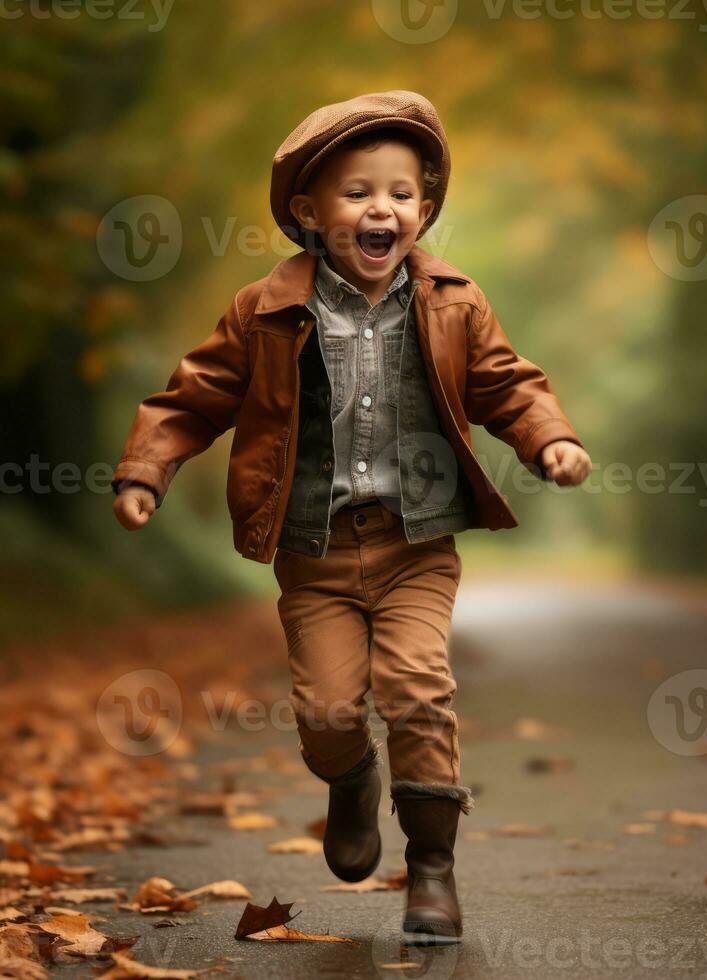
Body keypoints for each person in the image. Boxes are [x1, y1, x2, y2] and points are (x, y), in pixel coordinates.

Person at [111, 90, 592, 944]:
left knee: (418, 692)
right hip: (314, 549)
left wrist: (546, 438)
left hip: (417, 545)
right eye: (358, 192)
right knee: (329, 714)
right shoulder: (263, 309)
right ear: (308, 211)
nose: (384, 209)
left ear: (424, 211)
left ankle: (434, 872)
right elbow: (197, 395)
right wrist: (147, 471)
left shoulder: (453, 302)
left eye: (403, 195)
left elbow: (506, 383)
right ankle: (349, 782)